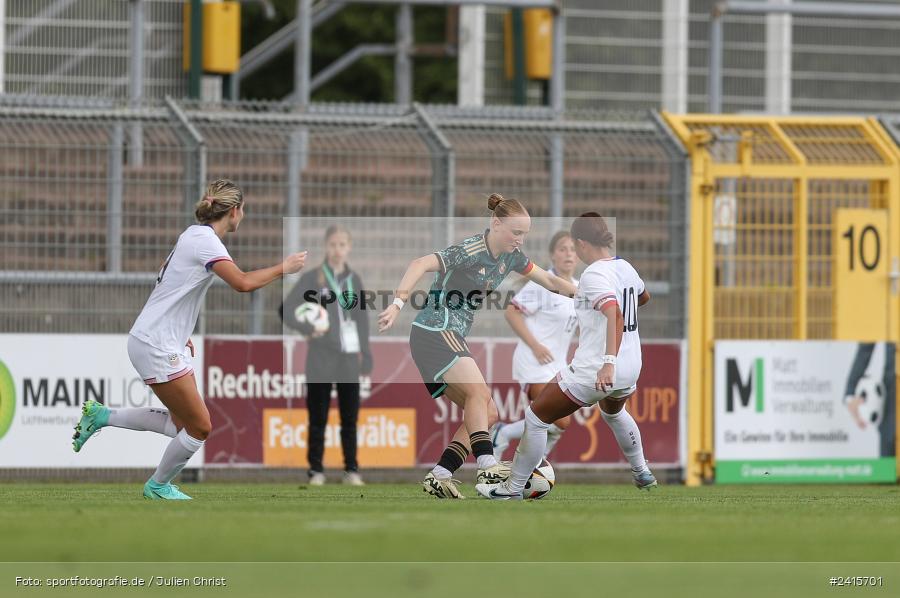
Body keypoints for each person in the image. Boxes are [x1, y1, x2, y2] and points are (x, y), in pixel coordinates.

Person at [71, 179, 307, 500]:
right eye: (243, 210)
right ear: (235, 211)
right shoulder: (206, 242)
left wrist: (179, 331)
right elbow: (242, 283)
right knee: (201, 428)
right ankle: (157, 486)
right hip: (156, 343)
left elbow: (169, 280)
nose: (243, 215)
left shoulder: (192, 235)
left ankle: (102, 416)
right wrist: (284, 267)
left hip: (158, 338)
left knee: (184, 426)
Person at [377, 193, 577, 499]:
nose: (520, 240)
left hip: (447, 337)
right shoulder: (469, 250)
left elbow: (550, 282)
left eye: (525, 234)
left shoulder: (511, 257)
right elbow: (419, 263)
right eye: (516, 232)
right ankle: (487, 464)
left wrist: (589, 294)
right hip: (435, 329)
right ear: (496, 224)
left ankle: (440, 475)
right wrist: (397, 303)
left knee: (490, 412)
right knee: (479, 394)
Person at [476, 212, 657, 500]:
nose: (573, 253)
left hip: (597, 367)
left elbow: (614, 312)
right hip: (631, 365)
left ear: (582, 243)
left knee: (536, 418)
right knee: (614, 412)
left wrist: (607, 362)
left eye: (574, 246)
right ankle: (641, 470)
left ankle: (511, 489)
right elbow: (642, 298)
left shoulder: (594, 273)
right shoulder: (625, 267)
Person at [279, 225, 372, 486]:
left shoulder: (354, 280)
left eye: (342, 244)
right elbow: (285, 310)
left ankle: (351, 470)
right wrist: (308, 328)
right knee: (317, 415)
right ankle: (316, 471)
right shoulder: (312, 278)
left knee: (349, 417)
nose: (337, 250)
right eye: (333, 244)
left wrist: (367, 352)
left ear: (349, 248)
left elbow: (362, 320)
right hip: (320, 355)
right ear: (326, 246)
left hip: (349, 357)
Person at [493, 230, 578, 460]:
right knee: (559, 418)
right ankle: (504, 434)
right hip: (534, 362)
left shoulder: (577, 289)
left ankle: (534, 469)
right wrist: (536, 345)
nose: (568, 254)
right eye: (562, 249)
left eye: (572, 249)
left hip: (559, 366)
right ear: (553, 255)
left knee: (558, 424)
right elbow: (511, 312)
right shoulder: (543, 283)